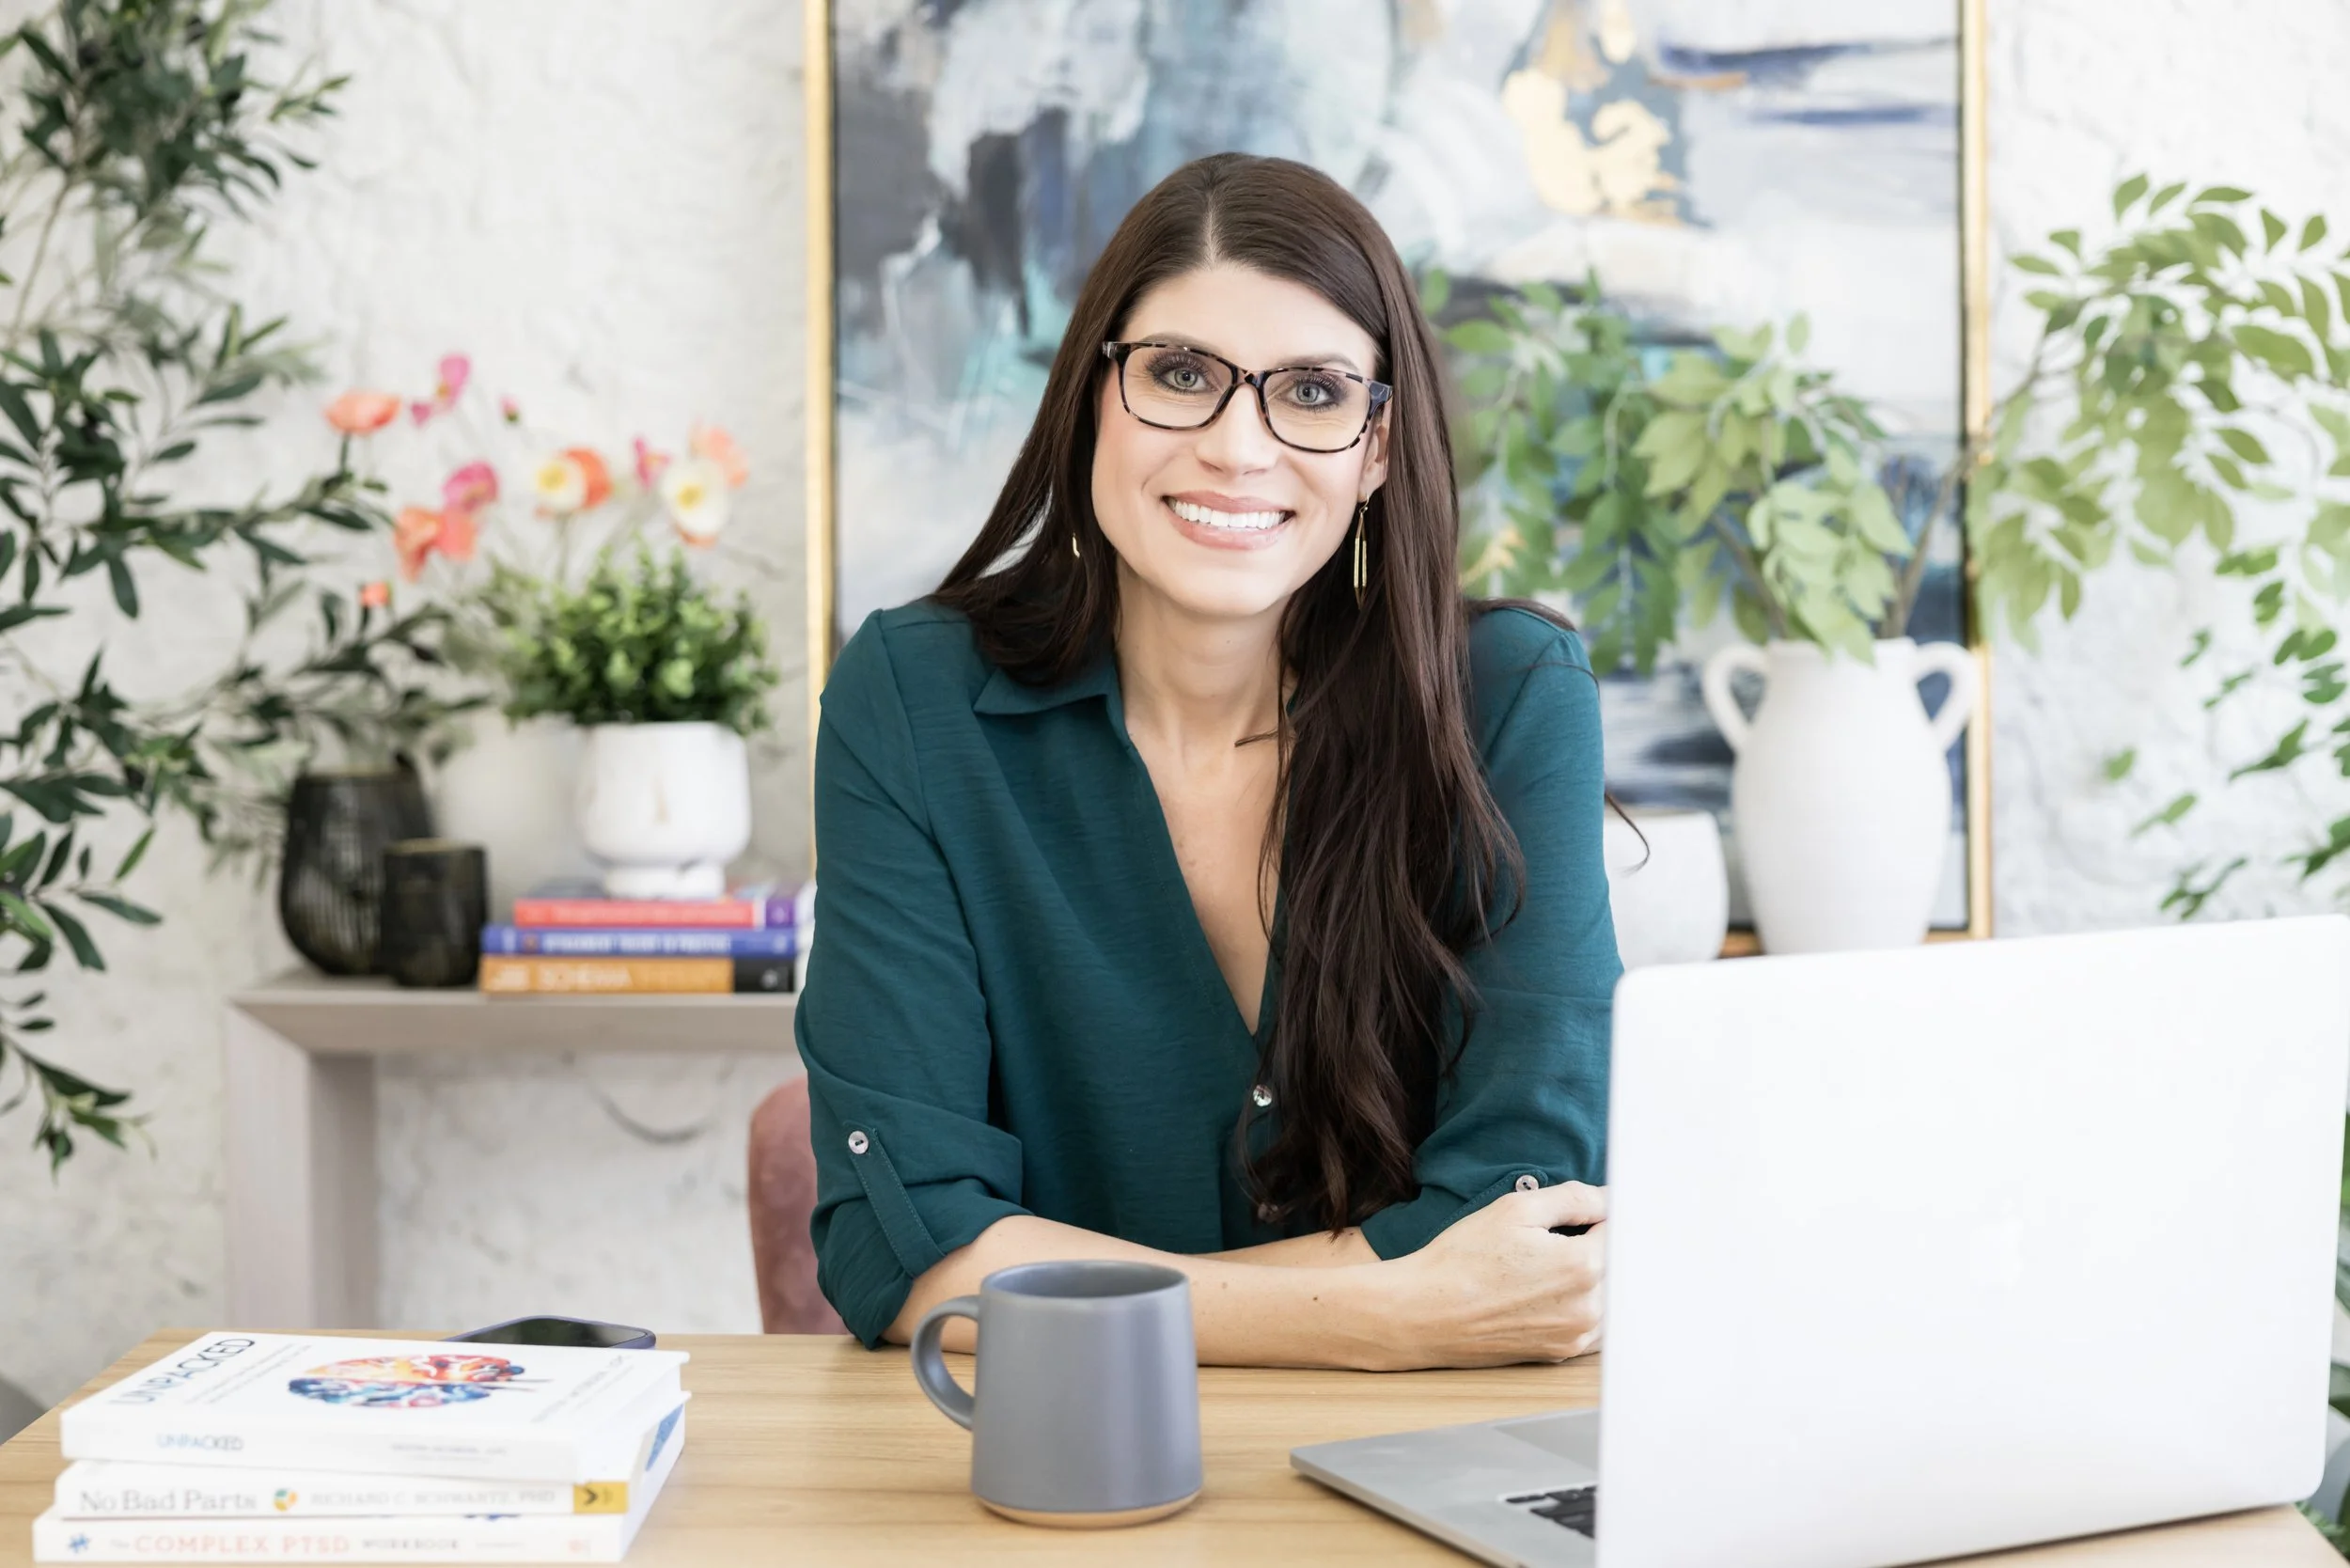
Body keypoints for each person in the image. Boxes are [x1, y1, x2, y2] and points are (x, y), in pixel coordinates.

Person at [796, 152, 1620, 1370]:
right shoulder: (915, 702)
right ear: (1090, 397)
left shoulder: (1510, 704)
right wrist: (1387, 1314)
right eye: (1181, 375)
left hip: (1423, 1474)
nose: (1240, 447)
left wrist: (1031, 1278)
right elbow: (907, 1251)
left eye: (1314, 392)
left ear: (1378, 448)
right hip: (1052, 1470)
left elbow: (1525, 1225)